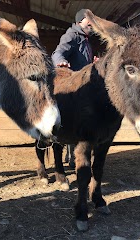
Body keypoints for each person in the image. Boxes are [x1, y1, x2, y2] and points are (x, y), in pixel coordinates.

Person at [52, 9, 95, 167]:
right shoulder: (72, 35)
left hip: (83, 87)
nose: (91, 22)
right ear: (79, 21)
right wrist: (60, 61)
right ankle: (70, 156)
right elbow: (58, 52)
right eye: (88, 19)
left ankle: (71, 155)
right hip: (74, 87)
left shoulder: (85, 39)